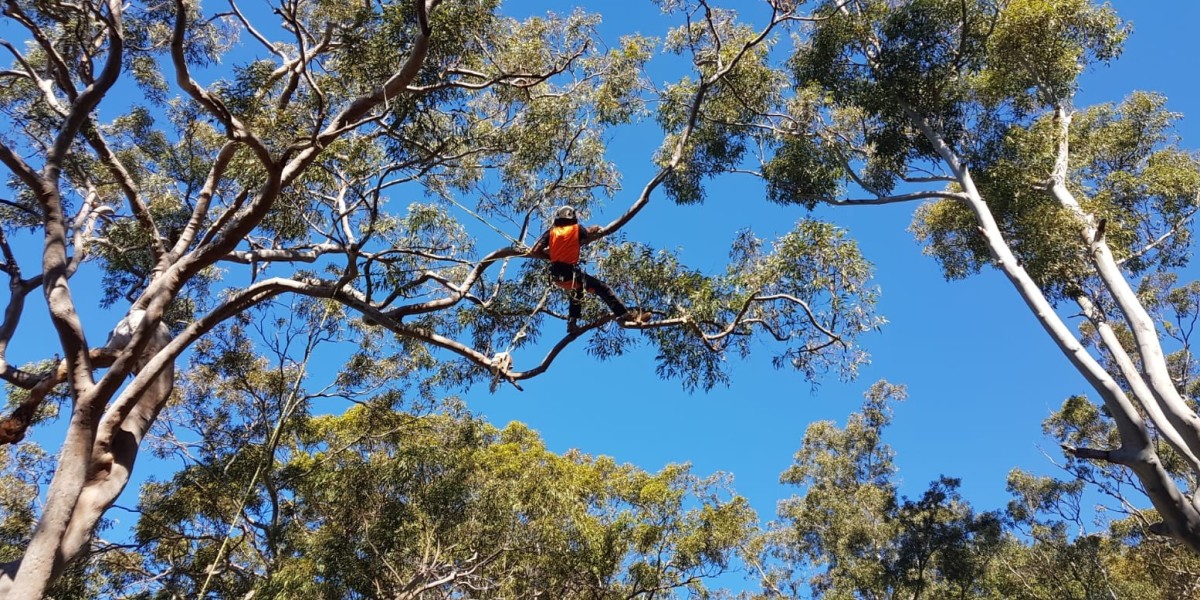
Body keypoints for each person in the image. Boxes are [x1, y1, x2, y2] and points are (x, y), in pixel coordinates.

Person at [528, 206, 646, 333]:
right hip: (569, 271)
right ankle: (625, 314)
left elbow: (534, 251)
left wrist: (551, 257)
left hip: (556, 274)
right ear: (573, 217)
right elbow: (588, 232)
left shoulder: (551, 232)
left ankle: (572, 324)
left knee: (577, 290)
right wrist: (595, 227)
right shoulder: (576, 229)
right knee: (602, 288)